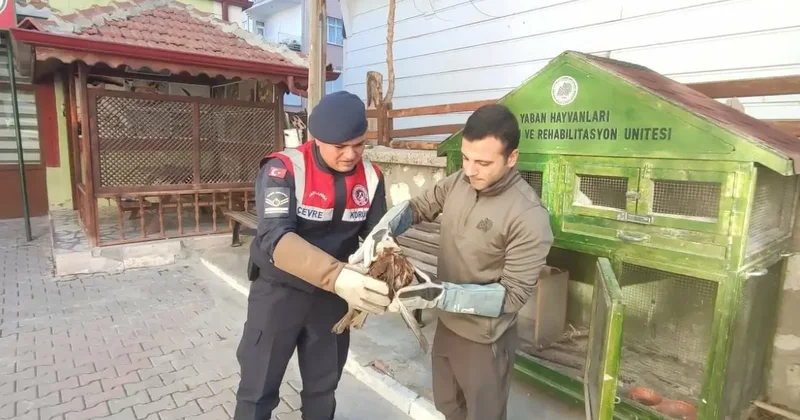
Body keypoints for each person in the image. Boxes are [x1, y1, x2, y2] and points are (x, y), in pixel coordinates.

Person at [351, 104, 554, 420]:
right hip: (447, 327)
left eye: (483, 162)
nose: (471, 170)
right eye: (466, 158)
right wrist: (385, 228)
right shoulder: (459, 181)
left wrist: (439, 294)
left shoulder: (529, 217)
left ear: (511, 158)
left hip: (485, 341)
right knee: (447, 406)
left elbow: (513, 296)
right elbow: (419, 207)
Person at [234, 91, 392, 420]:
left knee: (323, 389)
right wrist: (338, 275)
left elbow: (376, 234)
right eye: (340, 146)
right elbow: (275, 238)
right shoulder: (283, 170)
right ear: (317, 139)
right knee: (257, 390)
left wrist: (388, 259)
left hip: (332, 300)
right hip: (279, 294)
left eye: (359, 144)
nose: (351, 155)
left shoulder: (373, 177)